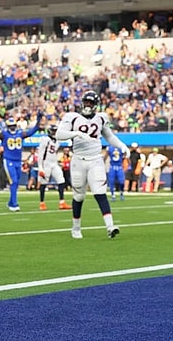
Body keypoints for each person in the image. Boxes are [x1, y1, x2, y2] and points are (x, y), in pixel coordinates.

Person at [55, 90, 130, 239]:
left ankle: (110, 226)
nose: (88, 105)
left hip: (95, 159)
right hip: (78, 159)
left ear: (96, 105)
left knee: (100, 192)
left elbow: (109, 136)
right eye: (86, 102)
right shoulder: (72, 117)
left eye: (91, 103)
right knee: (79, 196)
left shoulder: (101, 118)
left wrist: (122, 146)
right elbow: (59, 134)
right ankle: (75, 228)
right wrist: (75, 134)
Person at [0, 112, 42, 211]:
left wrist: (39, 120)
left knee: (16, 183)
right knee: (14, 181)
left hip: (18, 161)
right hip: (9, 161)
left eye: (14, 125)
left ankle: (10, 202)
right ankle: (14, 204)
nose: (12, 127)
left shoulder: (20, 134)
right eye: (11, 126)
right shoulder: (4, 134)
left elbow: (33, 131)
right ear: (8, 126)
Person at [36, 124, 71, 211]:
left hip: (54, 163)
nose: (55, 133)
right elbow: (40, 154)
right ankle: (42, 203)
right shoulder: (45, 139)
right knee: (44, 183)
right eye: (54, 131)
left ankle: (62, 202)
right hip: (46, 163)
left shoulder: (57, 141)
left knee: (61, 180)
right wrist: (40, 167)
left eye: (56, 131)